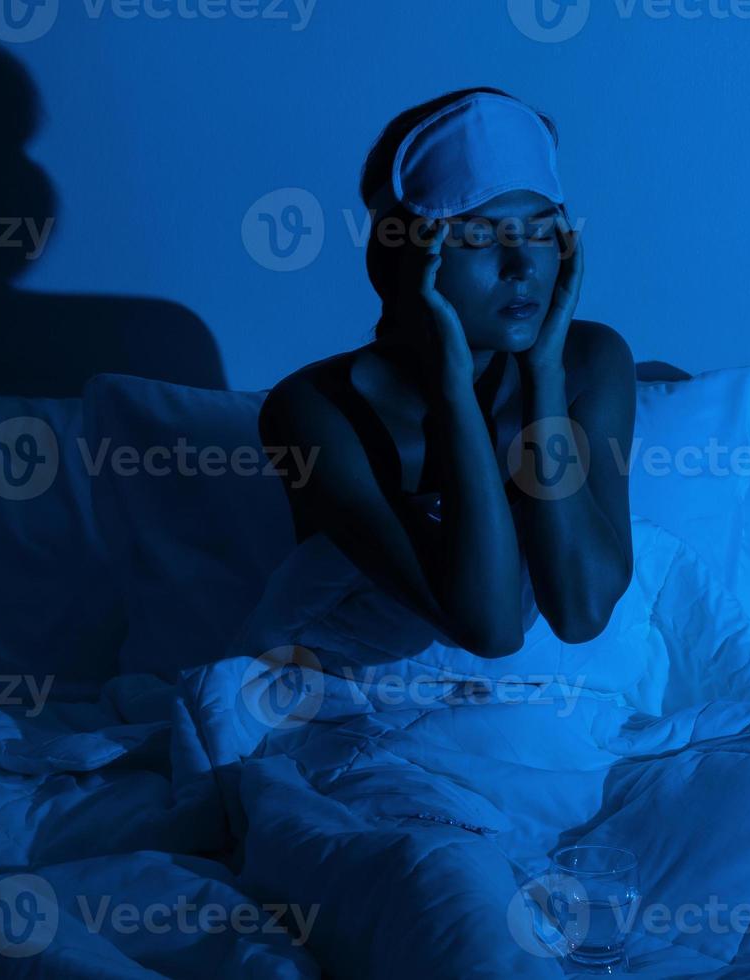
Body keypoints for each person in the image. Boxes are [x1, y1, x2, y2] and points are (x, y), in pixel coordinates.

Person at [259, 88, 635, 659]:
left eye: (540, 231)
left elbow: (581, 613)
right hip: (337, 694)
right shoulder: (315, 412)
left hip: (530, 707)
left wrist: (544, 379)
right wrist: (454, 393)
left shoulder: (589, 362)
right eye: (478, 235)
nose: (522, 266)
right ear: (402, 258)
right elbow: (491, 628)